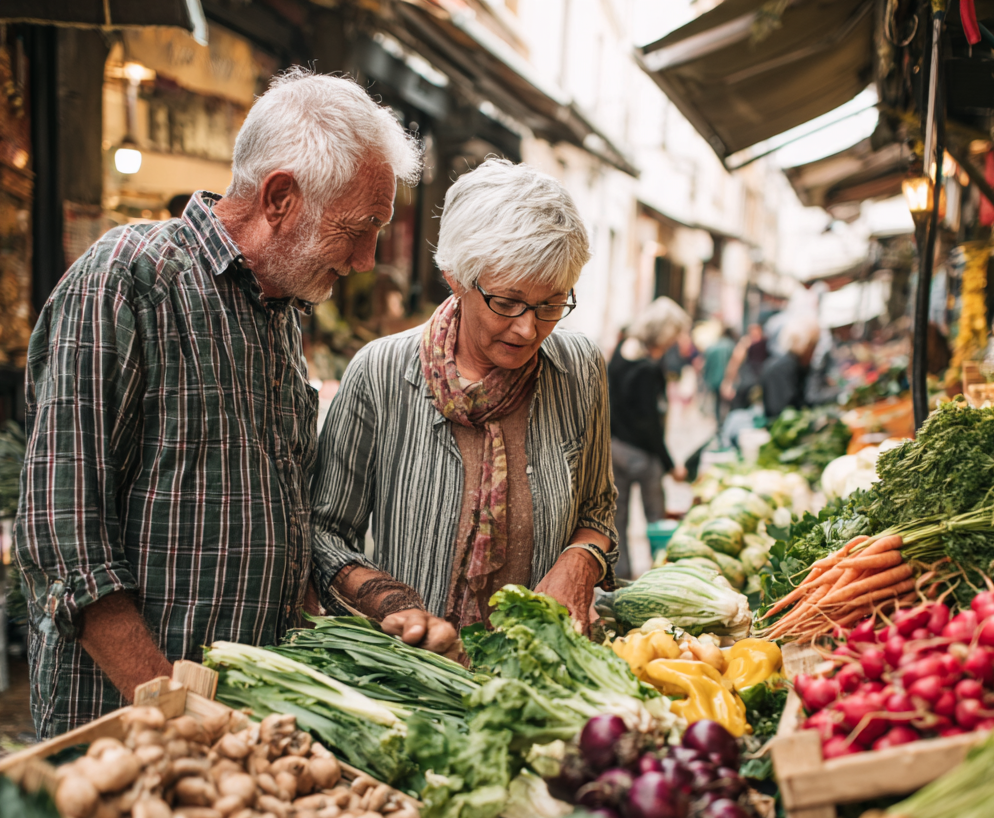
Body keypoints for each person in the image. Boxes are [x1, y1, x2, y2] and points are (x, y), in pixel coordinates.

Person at [14, 69, 420, 737]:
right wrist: (177, 710)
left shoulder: (281, 313)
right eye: (360, 228)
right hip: (126, 725)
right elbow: (64, 539)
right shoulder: (128, 278)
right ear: (281, 198)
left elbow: (285, 514)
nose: (367, 259)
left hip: (237, 724)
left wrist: (370, 597)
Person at [311, 159, 617, 652]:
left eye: (551, 305)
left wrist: (580, 561)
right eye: (508, 302)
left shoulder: (579, 369)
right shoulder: (381, 372)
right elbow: (323, 533)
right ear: (456, 278)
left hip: (542, 668)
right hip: (418, 673)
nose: (527, 329)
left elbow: (598, 508)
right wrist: (393, 605)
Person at [607, 297, 689, 579]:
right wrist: (670, 464)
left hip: (614, 447)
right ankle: (661, 576)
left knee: (617, 521)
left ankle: (620, 579)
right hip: (642, 455)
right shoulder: (648, 368)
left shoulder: (621, 351)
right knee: (656, 519)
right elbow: (650, 425)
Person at [761, 318, 820, 419]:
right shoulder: (783, 369)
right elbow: (781, 412)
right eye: (813, 347)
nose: (814, 353)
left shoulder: (797, 366)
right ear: (806, 346)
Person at [721, 321, 769, 412]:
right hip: (747, 383)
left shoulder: (765, 343)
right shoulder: (746, 343)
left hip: (759, 382)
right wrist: (728, 382)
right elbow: (735, 362)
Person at [702, 326, 736, 426]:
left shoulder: (712, 346)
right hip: (726, 378)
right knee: (728, 402)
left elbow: (706, 365)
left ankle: (718, 422)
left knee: (716, 402)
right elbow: (733, 363)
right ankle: (726, 422)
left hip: (713, 378)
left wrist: (706, 378)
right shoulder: (730, 345)